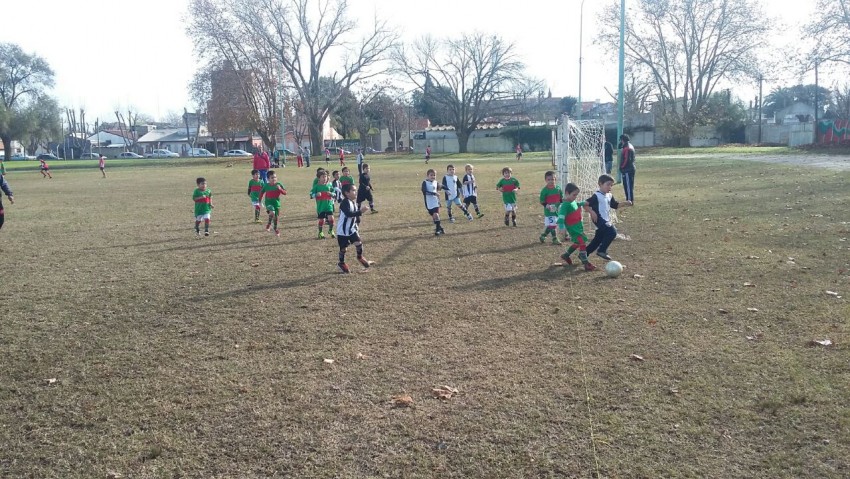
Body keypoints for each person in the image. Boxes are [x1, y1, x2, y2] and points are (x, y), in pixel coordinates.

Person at [586, 174, 632, 261]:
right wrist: (591, 212)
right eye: (608, 184)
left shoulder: (609, 195)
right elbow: (585, 204)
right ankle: (602, 250)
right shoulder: (596, 195)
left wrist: (625, 203)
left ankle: (584, 253)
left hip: (605, 219)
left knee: (598, 239)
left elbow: (615, 205)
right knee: (612, 232)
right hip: (598, 219)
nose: (610, 187)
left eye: (611, 185)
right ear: (600, 184)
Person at [557, 183, 596, 271]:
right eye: (574, 195)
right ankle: (586, 263)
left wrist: (583, 203)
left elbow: (576, 205)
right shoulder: (565, 205)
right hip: (573, 228)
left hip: (578, 226)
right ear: (567, 193)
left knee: (577, 243)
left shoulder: (572, 201)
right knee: (582, 243)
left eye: (576, 195)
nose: (575, 197)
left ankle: (566, 255)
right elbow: (561, 217)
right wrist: (561, 227)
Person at [336, 183, 373, 273]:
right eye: (353, 190)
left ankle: (360, 257)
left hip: (352, 229)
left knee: (358, 243)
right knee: (343, 249)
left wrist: (357, 222)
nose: (355, 192)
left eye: (355, 190)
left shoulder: (353, 202)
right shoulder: (344, 203)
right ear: (347, 193)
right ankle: (341, 263)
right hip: (343, 231)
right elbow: (349, 214)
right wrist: (360, 212)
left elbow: (355, 215)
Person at [259, 170, 287, 237]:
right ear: (268, 179)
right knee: (272, 212)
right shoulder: (266, 186)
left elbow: (285, 193)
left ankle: (271, 225)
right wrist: (259, 201)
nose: (274, 179)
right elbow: (261, 193)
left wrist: (280, 189)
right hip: (268, 202)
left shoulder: (279, 185)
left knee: (276, 217)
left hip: (276, 203)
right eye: (272, 178)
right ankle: (275, 229)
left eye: (275, 177)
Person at [539, 171, 563, 244]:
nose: (551, 181)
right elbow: (542, 201)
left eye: (552, 179)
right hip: (549, 211)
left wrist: (561, 203)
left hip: (557, 211)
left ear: (555, 179)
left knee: (552, 225)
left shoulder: (558, 189)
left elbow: (561, 199)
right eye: (549, 180)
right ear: (546, 180)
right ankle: (554, 239)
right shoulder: (544, 191)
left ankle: (543, 235)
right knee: (553, 225)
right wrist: (547, 206)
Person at [311, 169, 336, 239]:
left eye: (325, 176)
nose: (325, 178)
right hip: (321, 207)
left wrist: (331, 194)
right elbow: (311, 194)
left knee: (331, 218)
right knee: (322, 220)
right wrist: (316, 194)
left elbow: (334, 193)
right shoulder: (316, 186)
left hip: (329, 205)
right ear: (319, 178)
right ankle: (320, 232)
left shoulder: (329, 185)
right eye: (323, 177)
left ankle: (331, 230)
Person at [421, 168, 445, 236]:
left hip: (435, 202)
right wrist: (434, 193)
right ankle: (440, 228)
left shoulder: (435, 182)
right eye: (431, 175)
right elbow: (425, 192)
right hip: (428, 203)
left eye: (434, 175)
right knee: (434, 217)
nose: (433, 177)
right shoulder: (425, 183)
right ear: (427, 175)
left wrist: (447, 190)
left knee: (436, 215)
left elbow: (442, 186)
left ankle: (438, 230)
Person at [619, 134, 636, 204]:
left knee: (628, 185)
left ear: (622, 140)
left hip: (627, 169)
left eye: (620, 140)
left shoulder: (627, 148)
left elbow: (627, 159)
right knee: (628, 185)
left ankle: (629, 200)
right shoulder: (629, 145)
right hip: (630, 168)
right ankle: (629, 198)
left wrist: (622, 167)